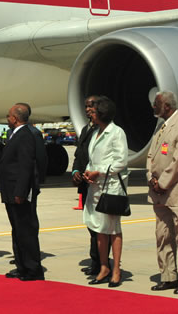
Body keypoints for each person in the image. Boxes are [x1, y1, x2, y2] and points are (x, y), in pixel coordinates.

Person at [146, 90, 178, 294]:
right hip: (159, 191)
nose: (153, 107)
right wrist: (152, 178)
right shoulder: (162, 126)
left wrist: (164, 182)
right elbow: (151, 156)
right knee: (163, 235)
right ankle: (168, 276)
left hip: (176, 189)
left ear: (167, 106)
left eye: (156, 104)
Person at [82, 96, 128, 288]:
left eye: (93, 112)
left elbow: (121, 161)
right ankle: (104, 267)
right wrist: (87, 171)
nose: (90, 114)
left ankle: (116, 268)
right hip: (96, 186)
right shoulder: (96, 133)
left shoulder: (116, 133)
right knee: (99, 229)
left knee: (113, 229)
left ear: (102, 114)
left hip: (110, 187)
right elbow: (93, 158)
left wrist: (99, 172)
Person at [0, 103, 44, 281]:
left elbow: (26, 166)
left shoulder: (25, 135)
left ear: (15, 118)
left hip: (19, 192)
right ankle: (21, 266)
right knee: (17, 230)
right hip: (10, 191)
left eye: (9, 116)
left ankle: (33, 269)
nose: (7, 118)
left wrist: (21, 192)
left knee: (26, 231)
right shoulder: (14, 134)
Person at [71, 95, 106, 276]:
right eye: (86, 106)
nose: (87, 110)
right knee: (91, 225)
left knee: (100, 227)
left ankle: (101, 263)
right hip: (85, 184)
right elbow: (79, 155)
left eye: (91, 106)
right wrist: (75, 171)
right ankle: (95, 261)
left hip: (98, 185)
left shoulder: (104, 130)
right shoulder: (86, 129)